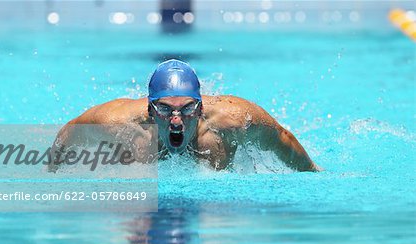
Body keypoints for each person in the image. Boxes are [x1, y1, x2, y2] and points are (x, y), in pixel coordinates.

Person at [53, 59, 318, 171]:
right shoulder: (117, 123)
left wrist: (313, 174)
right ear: (150, 109)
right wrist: (50, 172)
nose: (176, 120)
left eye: (187, 109)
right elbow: (68, 133)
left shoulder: (234, 120)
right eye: (166, 109)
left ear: (201, 108)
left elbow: (281, 138)